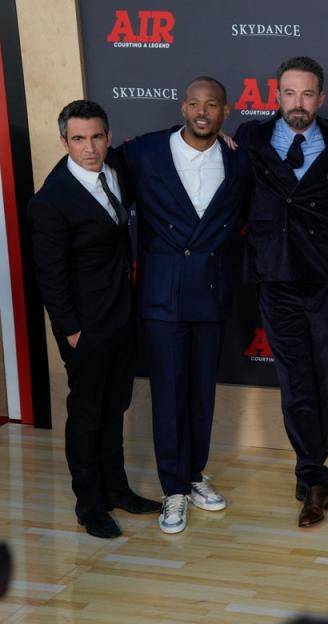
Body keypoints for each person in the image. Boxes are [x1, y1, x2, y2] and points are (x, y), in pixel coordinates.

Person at [118, 77, 251, 534]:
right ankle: (172, 489)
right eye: (194, 103)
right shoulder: (143, 153)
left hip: (211, 292)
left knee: (201, 395)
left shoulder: (238, 160)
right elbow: (96, 184)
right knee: (169, 394)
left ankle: (194, 476)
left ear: (225, 111)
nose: (201, 112)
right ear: (182, 107)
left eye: (211, 105)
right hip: (161, 294)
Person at [235, 57, 328, 527]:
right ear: (277, 95)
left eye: (307, 94)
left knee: (325, 378)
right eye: (289, 94)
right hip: (276, 278)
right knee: (294, 381)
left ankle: (311, 469)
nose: (298, 104)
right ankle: (313, 475)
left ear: (320, 98)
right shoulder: (249, 138)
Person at [29, 100, 160, 538]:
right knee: (87, 414)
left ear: (108, 136)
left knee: (115, 405)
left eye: (97, 137)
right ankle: (89, 505)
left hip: (122, 315)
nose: (90, 148)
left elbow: (148, 145)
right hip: (84, 325)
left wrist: (214, 134)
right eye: (79, 139)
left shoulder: (115, 169)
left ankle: (116, 489)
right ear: (64, 141)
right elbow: (49, 275)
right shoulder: (52, 200)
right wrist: (71, 330)